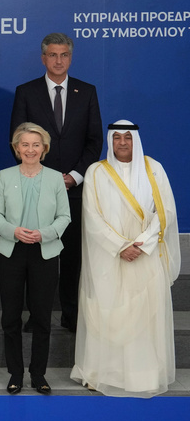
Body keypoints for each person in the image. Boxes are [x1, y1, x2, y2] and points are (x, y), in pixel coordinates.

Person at [71, 121, 180, 398]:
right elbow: (91, 217)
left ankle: (142, 375)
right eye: (117, 137)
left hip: (146, 254)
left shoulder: (153, 168)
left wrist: (141, 245)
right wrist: (120, 246)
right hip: (109, 257)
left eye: (127, 138)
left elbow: (164, 211)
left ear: (136, 140)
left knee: (144, 315)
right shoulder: (96, 172)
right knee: (106, 313)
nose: (122, 143)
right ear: (110, 140)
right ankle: (101, 374)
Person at [10, 32, 102, 332]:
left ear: (70, 58)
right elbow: (17, 140)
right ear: (43, 58)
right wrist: (46, 178)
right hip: (36, 190)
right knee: (35, 257)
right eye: (53, 55)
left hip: (75, 191)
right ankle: (36, 317)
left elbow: (94, 142)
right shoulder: (26, 92)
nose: (58, 60)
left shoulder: (87, 92)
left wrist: (75, 176)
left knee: (72, 256)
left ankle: (71, 315)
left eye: (64, 55)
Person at [0, 122, 71, 395]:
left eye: (36, 144)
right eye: (25, 144)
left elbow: (64, 217)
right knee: (10, 316)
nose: (30, 149)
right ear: (16, 148)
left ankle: (38, 374)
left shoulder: (55, 178)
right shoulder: (5, 175)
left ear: (44, 148)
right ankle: (15, 373)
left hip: (44, 252)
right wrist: (13, 230)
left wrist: (44, 234)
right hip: (11, 250)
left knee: (42, 317)